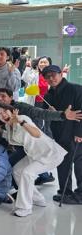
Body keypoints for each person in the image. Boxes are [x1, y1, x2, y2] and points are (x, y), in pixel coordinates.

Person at [0, 104, 66, 216]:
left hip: (49, 153)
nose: (2, 114)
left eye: (4, 111)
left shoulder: (23, 118)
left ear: (11, 111)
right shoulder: (8, 126)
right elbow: (14, 139)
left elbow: (36, 134)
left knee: (27, 173)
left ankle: (25, 208)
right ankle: (38, 199)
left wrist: (21, 122)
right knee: (17, 170)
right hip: (34, 154)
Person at [42, 65, 82, 204]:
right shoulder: (48, 95)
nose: (51, 78)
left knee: (79, 164)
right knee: (63, 163)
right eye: (47, 76)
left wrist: (80, 132)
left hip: (75, 134)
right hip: (59, 134)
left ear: (60, 74)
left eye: (53, 75)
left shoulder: (76, 89)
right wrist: (50, 112)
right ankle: (65, 191)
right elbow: (45, 114)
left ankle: (81, 194)